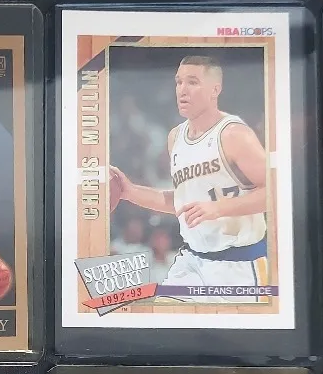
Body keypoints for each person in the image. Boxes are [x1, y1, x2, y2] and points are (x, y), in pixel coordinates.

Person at [110, 56, 269, 301]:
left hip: (239, 265)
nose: (182, 90)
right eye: (179, 82)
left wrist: (219, 208)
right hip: (192, 261)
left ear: (215, 89)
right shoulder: (175, 137)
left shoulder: (234, 134)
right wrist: (130, 192)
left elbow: (276, 192)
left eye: (192, 82)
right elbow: (182, 203)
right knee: (161, 318)